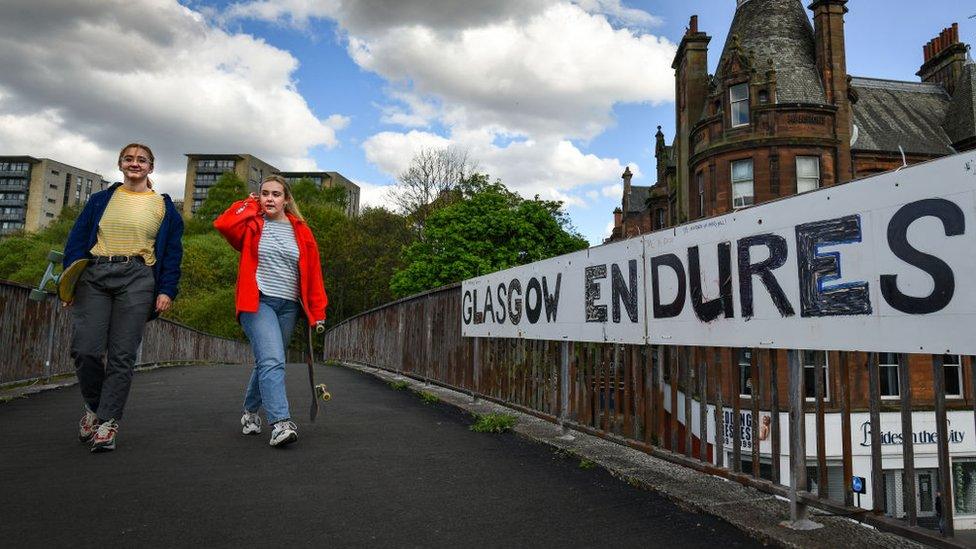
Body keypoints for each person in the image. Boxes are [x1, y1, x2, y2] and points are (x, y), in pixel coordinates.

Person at [64, 143, 184, 452]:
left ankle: (107, 423)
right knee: (85, 349)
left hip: (138, 276)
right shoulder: (101, 200)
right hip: (95, 274)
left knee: (122, 355)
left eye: (141, 160)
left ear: (150, 168)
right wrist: (68, 283)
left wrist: (166, 290)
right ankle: (94, 407)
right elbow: (76, 242)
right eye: (129, 159)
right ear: (120, 164)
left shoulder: (164, 206)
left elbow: (172, 255)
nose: (135, 163)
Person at [214, 174, 327, 447]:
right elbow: (224, 223)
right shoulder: (252, 224)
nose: (269, 198)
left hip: (289, 306)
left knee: (268, 361)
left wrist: (318, 309)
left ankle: (251, 413)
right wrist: (249, 204)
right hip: (258, 302)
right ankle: (280, 423)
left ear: (286, 199)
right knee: (273, 360)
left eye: (276, 194)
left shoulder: (301, 230)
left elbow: (313, 273)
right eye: (264, 193)